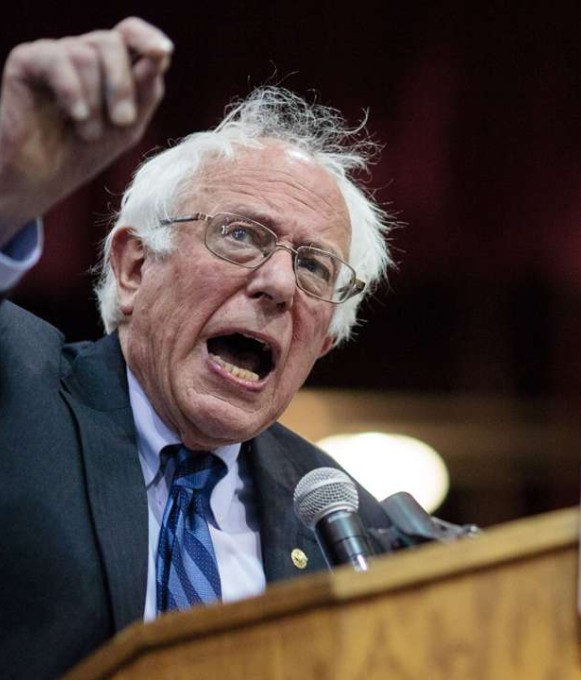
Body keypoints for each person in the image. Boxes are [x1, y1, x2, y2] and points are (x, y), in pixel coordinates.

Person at [0, 18, 395, 678]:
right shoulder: (18, 393)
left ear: (322, 342)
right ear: (132, 267)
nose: (276, 284)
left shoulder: (350, 527)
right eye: (240, 235)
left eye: (315, 267)